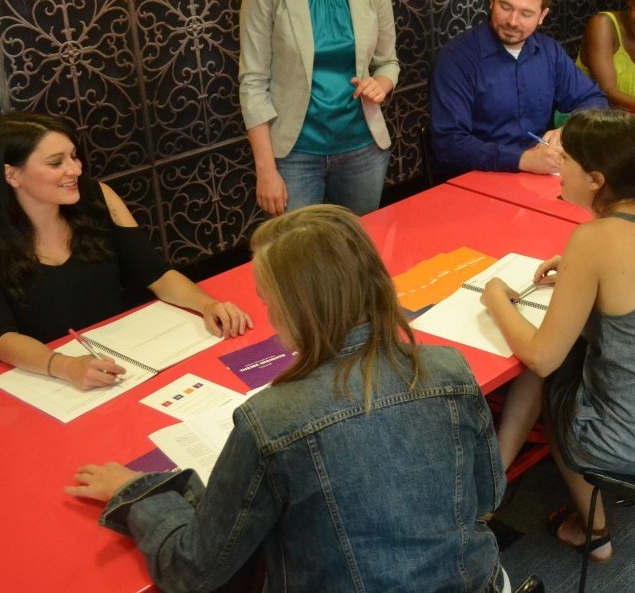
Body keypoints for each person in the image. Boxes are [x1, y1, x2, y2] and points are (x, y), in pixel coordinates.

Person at [66, 205, 508, 593]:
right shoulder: (449, 369)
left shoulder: (271, 419)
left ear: (296, 307)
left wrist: (139, 493)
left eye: (267, 300)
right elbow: (489, 494)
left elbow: (193, 569)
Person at [480, 110, 635, 563]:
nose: (556, 162)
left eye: (565, 157)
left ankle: (591, 530)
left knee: (547, 374)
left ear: (595, 179)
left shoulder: (595, 239)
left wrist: (494, 298)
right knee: (565, 352)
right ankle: (494, 479)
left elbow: (541, 357)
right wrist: (580, 275)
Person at [0, 112, 251, 385]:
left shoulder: (98, 197)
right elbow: (0, 338)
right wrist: (65, 366)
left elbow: (157, 274)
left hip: (123, 357)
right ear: (12, 175)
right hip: (44, 377)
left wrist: (207, 305)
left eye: (74, 156)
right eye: (56, 163)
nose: (75, 170)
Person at [239, 0, 399, 217]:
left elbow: (388, 62)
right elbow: (253, 82)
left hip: (363, 148)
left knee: (358, 244)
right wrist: (266, 170)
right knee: (297, 248)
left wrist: (381, 84)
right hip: (294, 155)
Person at [430, 0, 607, 181]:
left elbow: (594, 99)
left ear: (542, 16)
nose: (513, 21)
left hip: (540, 173)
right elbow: (449, 143)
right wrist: (522, 159)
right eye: (505, 7)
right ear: (491, 0)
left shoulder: (548, 52)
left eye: (526, 13)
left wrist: (567, 131)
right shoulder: (456, 59)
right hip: (477, 178)